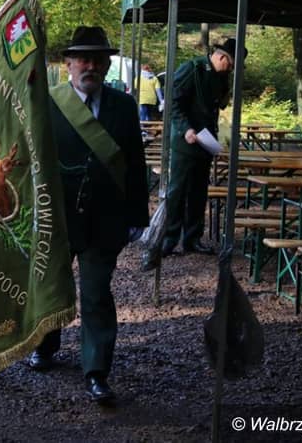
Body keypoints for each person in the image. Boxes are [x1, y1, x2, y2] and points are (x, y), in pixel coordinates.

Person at [26, 26, 150, 406]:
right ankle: (45, 346)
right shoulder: (47, 103)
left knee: (96, 295)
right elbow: (32, 160)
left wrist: (138, 215)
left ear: (107, 65)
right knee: (52, 286)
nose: (90, 66)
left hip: (105, 219)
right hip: (58, 217)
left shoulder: (123, 106)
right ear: (68, 64)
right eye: (83, 59)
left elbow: (135, 163)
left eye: (98, 60)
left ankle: (96, 371)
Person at [161, 38, 246, 256]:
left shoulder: (222, 77)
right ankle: (168, 238)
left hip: (206, 140)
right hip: (185, 140)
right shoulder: (192, 69)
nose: (231, 69)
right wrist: (185, 128)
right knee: (177, 191)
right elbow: (173, 102)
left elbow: (219, 105)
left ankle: (192, 238)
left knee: (199, 192)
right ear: (221, 57)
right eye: (231, 65)